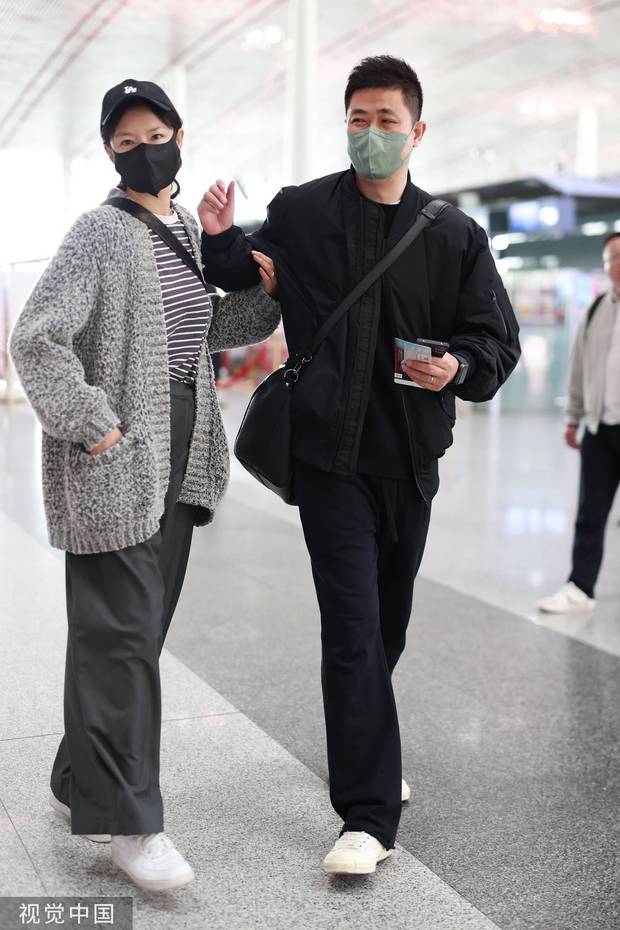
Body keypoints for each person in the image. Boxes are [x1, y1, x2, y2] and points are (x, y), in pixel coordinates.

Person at [198, 55, 521, 875]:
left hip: (409, 460)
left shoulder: (452, 236)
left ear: (417, 132)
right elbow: (243, 272)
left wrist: (458, 366)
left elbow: (496, 342)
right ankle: (366, 816)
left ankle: (370, 747)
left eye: (385, 121)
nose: (369, 134)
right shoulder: (304, 212)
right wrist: (221, 236)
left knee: (386, 623)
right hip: (328, 460)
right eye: (357, 119)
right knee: (350, 629)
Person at [9, 78, 280, 892]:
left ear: (180, 135)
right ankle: (130, 821)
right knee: (121, 637)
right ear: (109, 153)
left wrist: (262, 298)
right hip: (116, 458)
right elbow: (36, 337)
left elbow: (205, 330)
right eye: (125, 141)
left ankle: (76, 779)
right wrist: (93, 421)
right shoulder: (97, 232)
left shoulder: (188, 235)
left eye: (153, 133)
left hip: (180, 454)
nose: (142, 149)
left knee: (134, 631)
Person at [537, 233, 620, 614]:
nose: (616, 263)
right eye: (611, 257)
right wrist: (573, 417)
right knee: (590, 513)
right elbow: (579, 368)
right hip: (600, 430)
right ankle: (580, 587)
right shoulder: (596, 309)